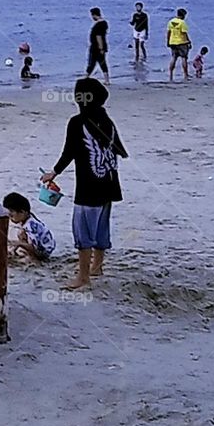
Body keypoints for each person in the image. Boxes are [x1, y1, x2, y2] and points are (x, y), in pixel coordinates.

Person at [41, 77, 127, 291]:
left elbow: (69, 152)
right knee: (101, 227)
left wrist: (54, 172)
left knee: (83, 232)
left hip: (89, 188)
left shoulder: (77, 122)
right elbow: (119, 151)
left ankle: (83, 277)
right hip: (109, 183)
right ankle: (97, 266)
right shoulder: (107, 121)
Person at [2, 192, 56, 262]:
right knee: (20, 234)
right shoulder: (27, 218)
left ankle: (34, 260)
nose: (10, 218)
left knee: (24, 260)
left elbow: (34, 247)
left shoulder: (31, 225)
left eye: (12, 215)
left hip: (43, 251)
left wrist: (18, 243)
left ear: (22, 212)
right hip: (38, 246)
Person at [167, 8, 191, 81]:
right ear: (183, 15)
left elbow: (168, 32)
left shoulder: (171, 22)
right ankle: (185, 74)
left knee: (174, 58)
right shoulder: (182, 23)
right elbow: (184, 33)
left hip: (173, 42)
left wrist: (168, 41)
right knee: (184, 58)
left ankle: (171, 74)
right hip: (182, 42)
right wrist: (188, 41)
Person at [86, 8, 109, 84]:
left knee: (92, 62)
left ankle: (86, 77)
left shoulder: (99, 25)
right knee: (102, 62)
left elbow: (98, 36)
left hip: (97, 47)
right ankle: (106, 80)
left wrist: (101, 47)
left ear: (94, 15)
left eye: (92, 15)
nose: (92, 17)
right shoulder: (104, 23)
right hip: (100, 46)